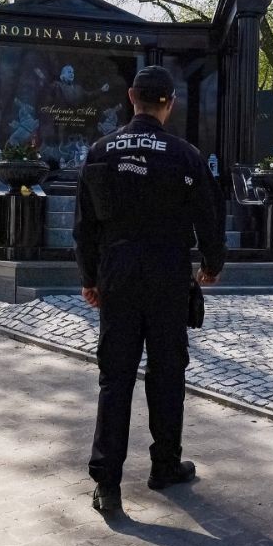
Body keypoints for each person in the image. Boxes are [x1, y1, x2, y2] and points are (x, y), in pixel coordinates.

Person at [74, 65, 225, 514]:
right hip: (167, 277)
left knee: (114, 379)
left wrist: (89, 278)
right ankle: (165, 465)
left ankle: (107, 484)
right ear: (169, 103)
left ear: (131, 97)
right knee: (167, 375)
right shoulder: (185, 155)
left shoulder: (101, 152)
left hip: (117, 275)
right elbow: (208, 217)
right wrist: (211, 265)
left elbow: (85, 227)